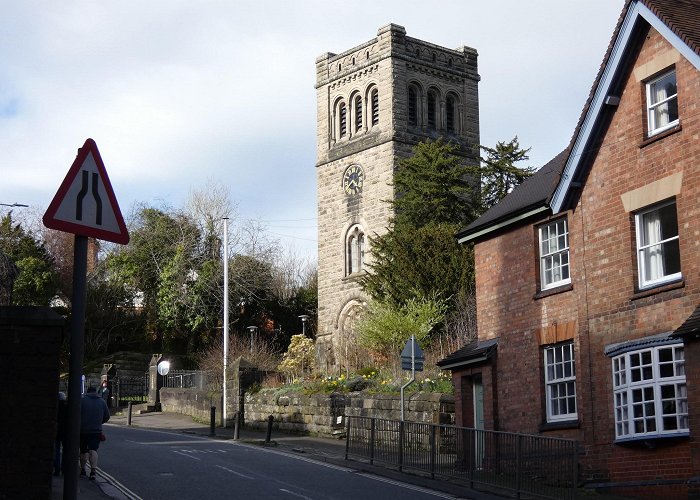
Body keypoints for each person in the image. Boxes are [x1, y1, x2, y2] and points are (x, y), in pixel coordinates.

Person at [80, 386, 110, 480]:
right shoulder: (102, 401)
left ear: (87, 392)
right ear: (96, 392)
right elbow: (107, 416)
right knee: (93, 450)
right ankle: (93, 471)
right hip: (96, 430)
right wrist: (99, 422)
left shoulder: (82, 400)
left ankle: (83, 470)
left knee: (83, 450)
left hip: (83, 430)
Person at [54, 392, 68, 476]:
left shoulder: (56, 407)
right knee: (66, 451)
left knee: (56, 451)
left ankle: (56, 469)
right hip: (66, 432)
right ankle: (64, 469)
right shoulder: (68, 406)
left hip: (57, 431)